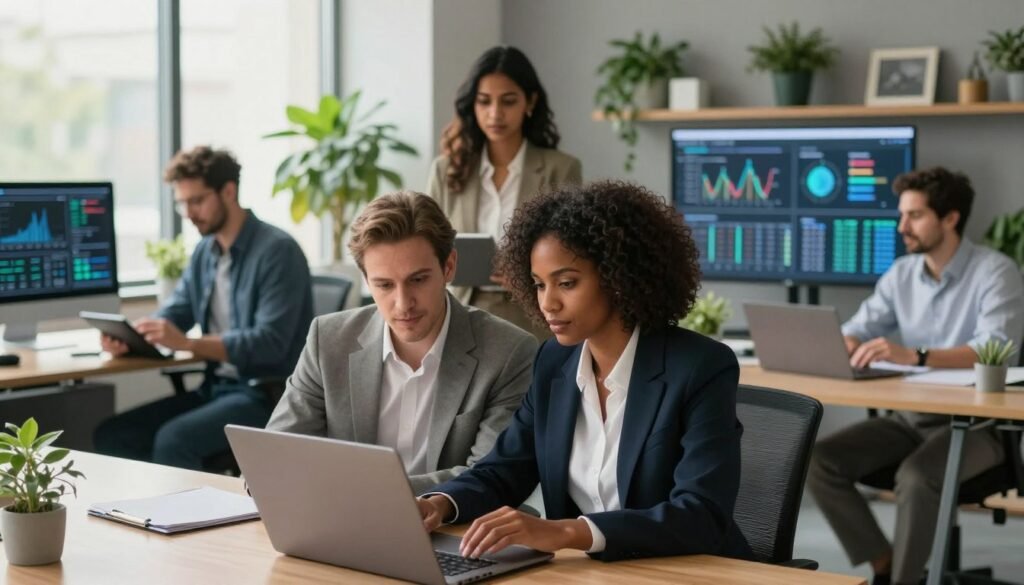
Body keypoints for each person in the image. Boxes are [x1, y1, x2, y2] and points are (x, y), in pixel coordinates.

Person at [416, 180, 753, 562]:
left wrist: (567, 531)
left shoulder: (699, 367)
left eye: (567, 283)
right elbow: (505, 469)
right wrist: (439, 504)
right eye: (539, 285)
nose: (548, 303)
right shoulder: (553, 363)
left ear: (617, 276)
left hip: (688, 572)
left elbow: (701, 515)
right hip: (587, 575)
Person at [807, 167, 1024, 585]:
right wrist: (847, 342)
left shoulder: (996, 272)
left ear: (950, 219)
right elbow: (858, 326)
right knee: (818, 460)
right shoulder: (903, 273)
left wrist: (917, 355)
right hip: (912, 419)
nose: (902, 226)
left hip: (982, 428)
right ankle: (884, 563)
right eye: (902, 214)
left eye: (915, 215)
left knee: (917, 475)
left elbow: (996, 350)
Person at [266, 191, 538, 495]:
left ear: (449, 266)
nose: (402, 303)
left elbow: (487, 475)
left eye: (418, 280)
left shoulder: (509, 352)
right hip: (339, 525)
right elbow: (278, 453)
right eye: (384, 285)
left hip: (453, 531)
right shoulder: (328, 340)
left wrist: (363, 492)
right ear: (365, 279)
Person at [94, 146, 313, 470]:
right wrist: (134, 336)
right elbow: (177, 312)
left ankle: (180, 519)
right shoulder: (205, 252)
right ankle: (138, 517)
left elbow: (270, 343)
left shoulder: (277, 251)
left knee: (174, 440)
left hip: (265, 395)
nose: (189, 213)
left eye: (196, 201)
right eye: (182, 203)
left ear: (228, 191)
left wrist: (188, 344)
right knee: (113, 434)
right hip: (215, 388)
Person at [427, 45, 582, 334]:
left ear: (530, 102)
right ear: (472, 105)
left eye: (508, 101)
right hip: (461, 312)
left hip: (532, 316)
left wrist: (525, 276)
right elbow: (426, 246)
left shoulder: (561, 169)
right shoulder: (446, 169)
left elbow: (573, 254)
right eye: (484, 102)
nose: (495, 113)